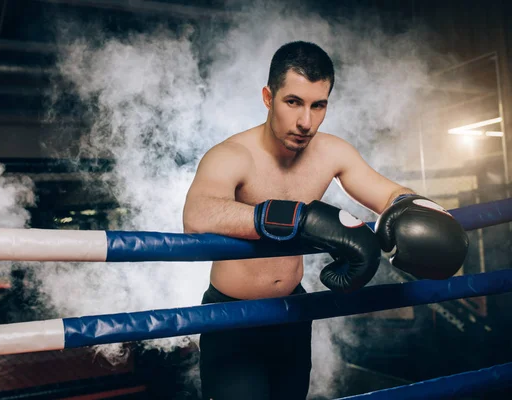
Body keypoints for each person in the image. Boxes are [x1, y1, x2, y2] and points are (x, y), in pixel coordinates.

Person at [182, 41, 468, 400]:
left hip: (293, 310)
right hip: (232, 315)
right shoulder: (232, 155)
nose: (306, 121)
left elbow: (389, 194)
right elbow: (197, 215)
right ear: (268, 97)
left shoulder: (332, 152)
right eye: (293, 102)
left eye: (318, 105)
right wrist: (297, 218)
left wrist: (418, 212)